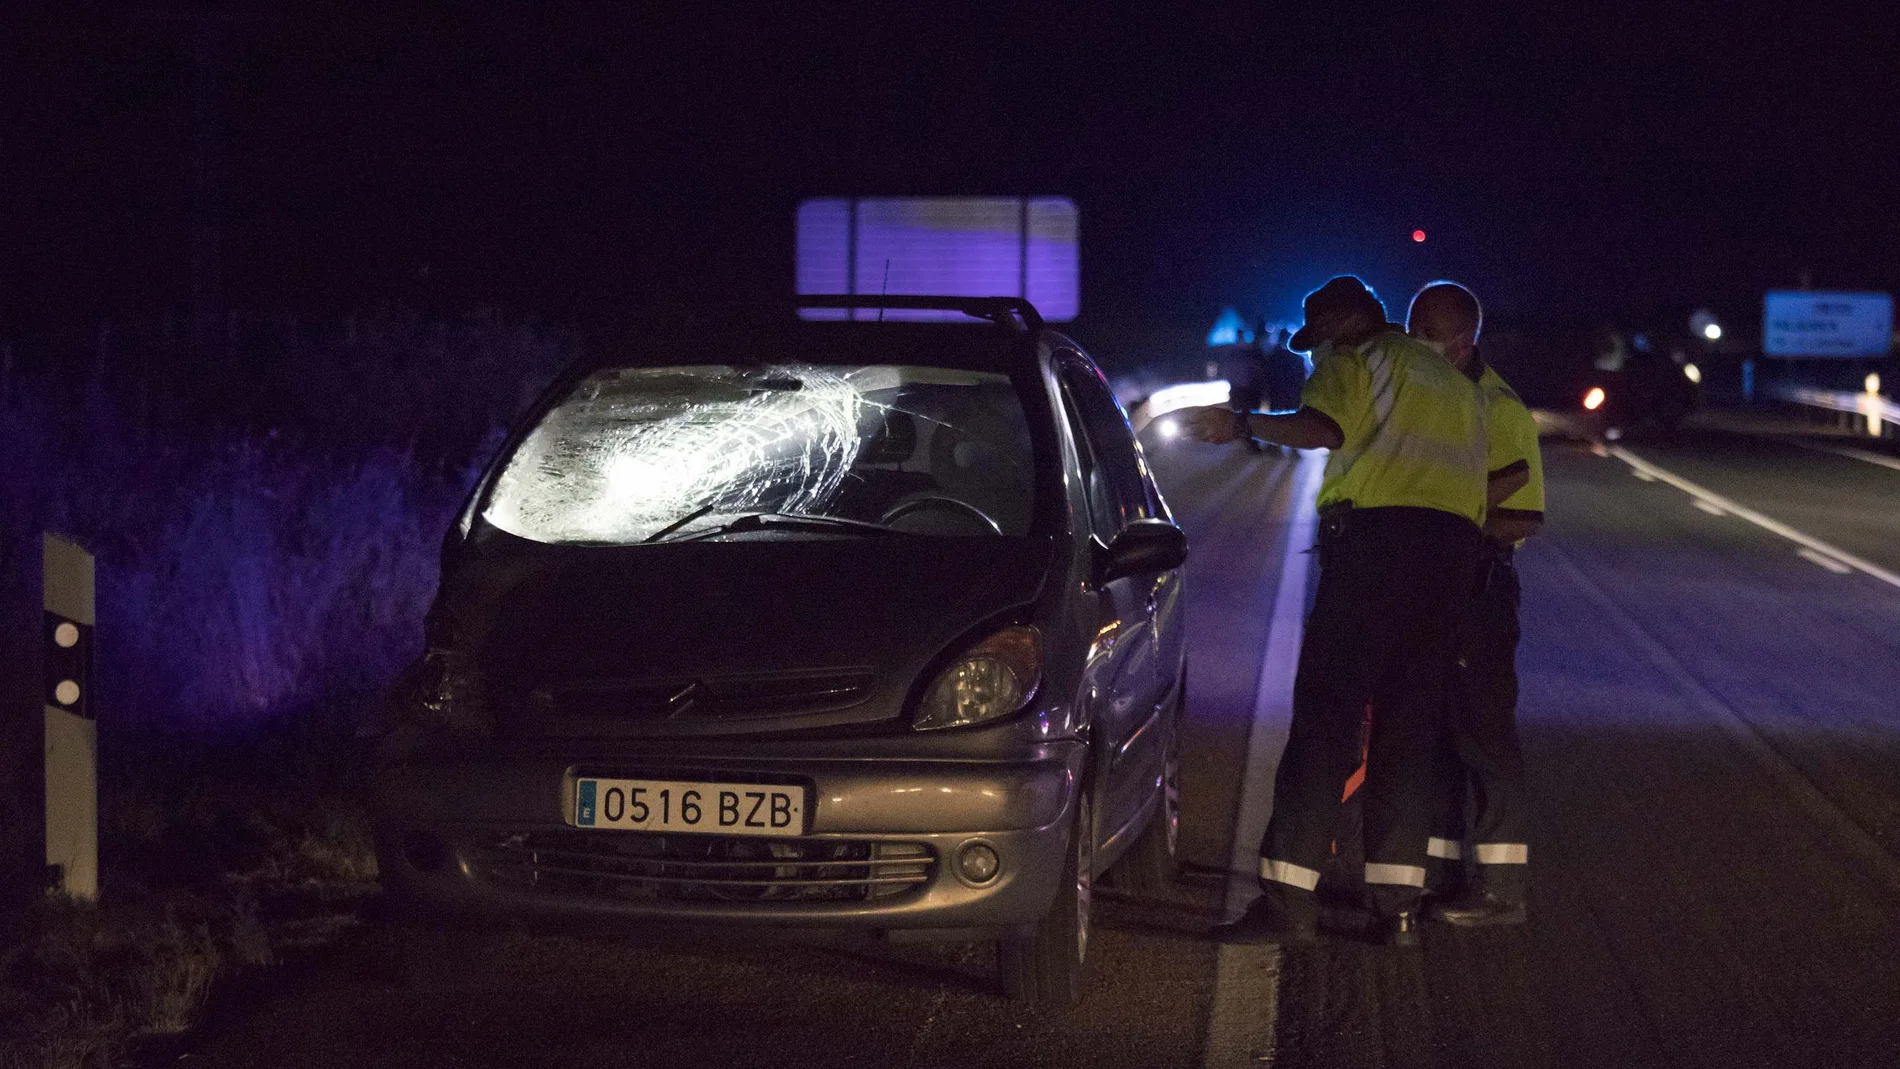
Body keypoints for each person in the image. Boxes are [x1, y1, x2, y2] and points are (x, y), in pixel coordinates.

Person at [1178, 275, 1488, 946]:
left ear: (1345, 326)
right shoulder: (1452, 384)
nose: (1315, 357)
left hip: (1376, 556)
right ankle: (1398, 909)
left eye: (1318, 342)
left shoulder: (1357, 360)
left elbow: (1325, 428)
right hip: (1453, 561)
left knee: (1327, 720)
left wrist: (1243, 424)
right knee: (1407, 735)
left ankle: (1289, 902)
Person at [1405, 282, 1544, 926]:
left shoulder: (1499, 408)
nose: (1417, 343)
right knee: (1436, 736)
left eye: (1429, 332)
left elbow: (1522, 517)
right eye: (1413, 329)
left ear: (1464, 341)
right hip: (1432, 586)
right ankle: (1439, 876)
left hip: (1477, 593)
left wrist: (1443, 520)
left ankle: (1499, 891)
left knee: (1483, 735)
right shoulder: (1429, 397)